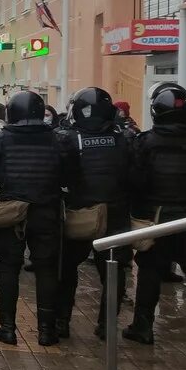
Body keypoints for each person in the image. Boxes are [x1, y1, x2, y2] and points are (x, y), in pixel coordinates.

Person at [0, 90, 68, 346]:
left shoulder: (0, 139)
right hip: (47, 211)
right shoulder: (58, 140)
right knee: (47, 270)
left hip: (12, 212)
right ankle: (46, 330)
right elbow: (66, 175)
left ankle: (7, 328)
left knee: (8, 269)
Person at [125, 84, 186, 345]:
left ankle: (143, 326)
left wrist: (139, 213)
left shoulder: (147, 141)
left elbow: (136, 181)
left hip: (158, 218)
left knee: (149, 271)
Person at [56, 87, 131, 341]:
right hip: (115, 215)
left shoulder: (67, 139)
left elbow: (60, 175)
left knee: (66, 269)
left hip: (79, 213)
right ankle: (107, 324)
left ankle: (61, 322)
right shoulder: (124, 138)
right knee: (114, 272)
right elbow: (135, 176)